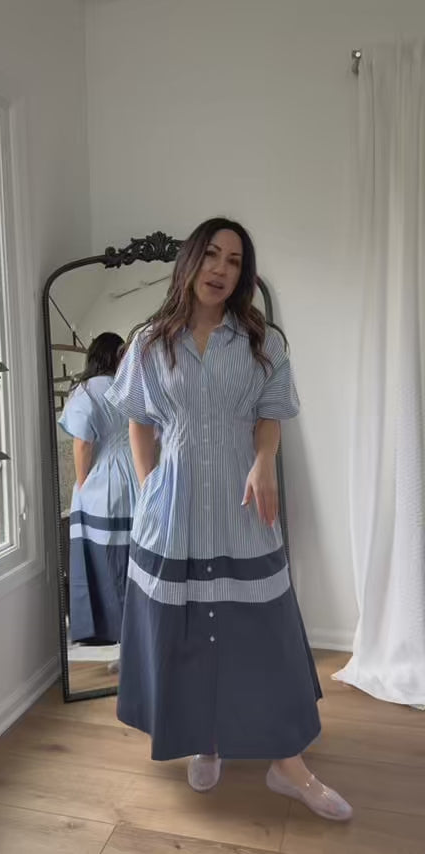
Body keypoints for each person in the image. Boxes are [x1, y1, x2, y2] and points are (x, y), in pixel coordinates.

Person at [106, 218, 353, 822]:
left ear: (244, 275)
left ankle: (288, 765)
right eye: (212, 255)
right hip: (174, 513)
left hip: (242, 507)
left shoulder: (261, 340)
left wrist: (265, 461)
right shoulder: (149, 343)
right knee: (186, 634)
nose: (221, 269)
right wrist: (148, 486)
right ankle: (206, 740)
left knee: (264, 635)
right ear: (191, 261)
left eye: (235, 261)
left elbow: (271, 414)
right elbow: (138, 420)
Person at [59, 332, 138, 652]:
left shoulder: (86, 392)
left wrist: (83, 483)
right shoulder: (129, 386)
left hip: (103, 476)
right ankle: (137, 627)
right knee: (133, 551)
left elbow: (83, 443)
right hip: (135, 470)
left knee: (102, 553)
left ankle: (107, 627)